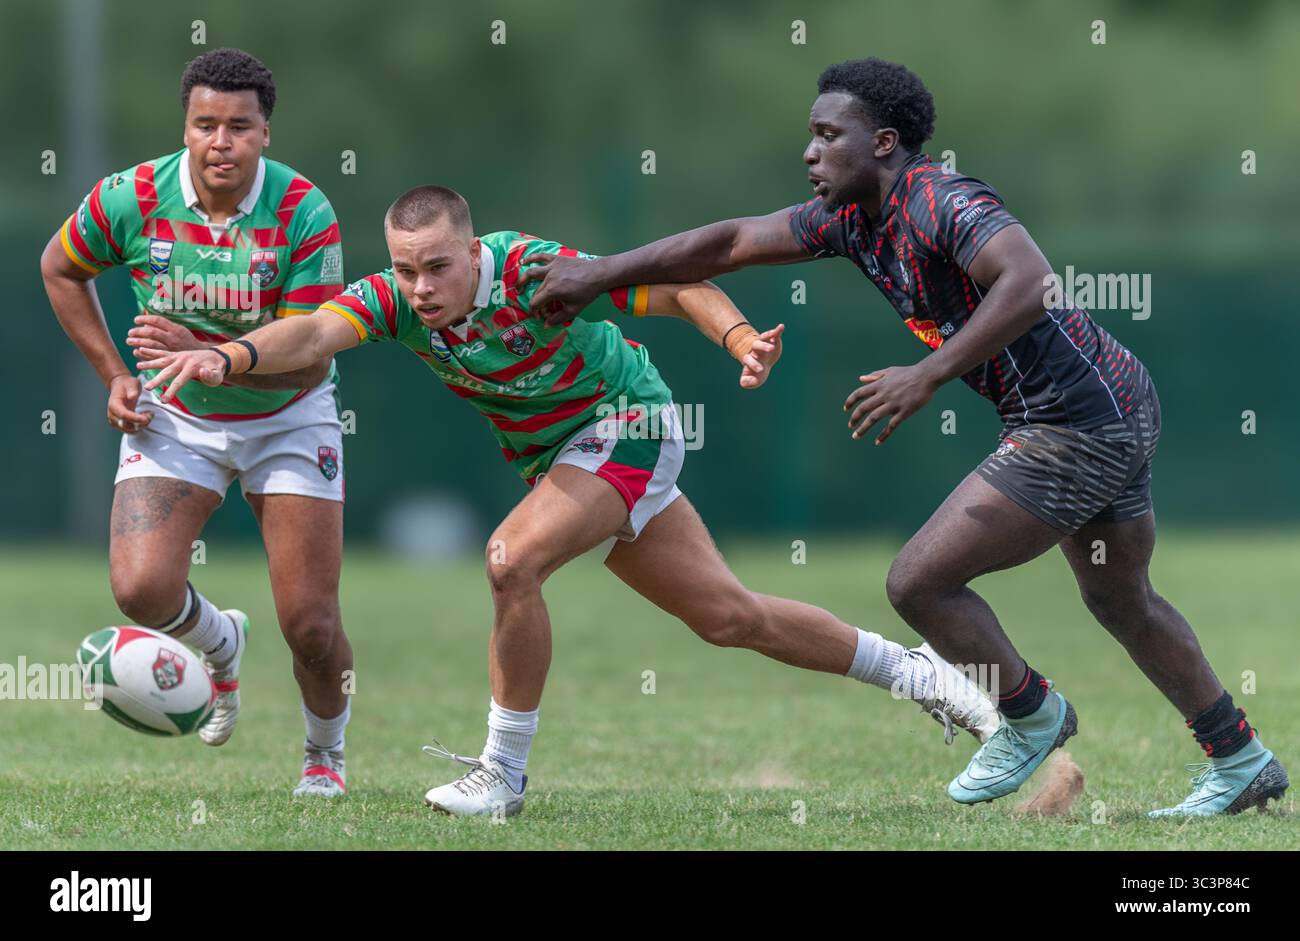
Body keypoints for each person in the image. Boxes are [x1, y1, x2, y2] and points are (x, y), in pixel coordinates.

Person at [515, 57, 1287, 817]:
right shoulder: (849, 221)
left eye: (828, 134)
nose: (811, 152)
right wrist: (604, 270)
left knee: (918, 581)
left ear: (884, 142)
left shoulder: (941, 198)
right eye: (810, 137)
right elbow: (727, 244)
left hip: (1078, 421)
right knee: (1124, 601)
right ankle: (1240, 758)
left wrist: (928, 374)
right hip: (1107, 404)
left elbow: (1029, 279)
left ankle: (1030, 713)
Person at [139, 183, 998, 817]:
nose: (423, 286)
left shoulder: (530, 271)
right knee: (731, 617)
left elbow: (671, 284)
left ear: (474, 253)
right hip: (563, 458)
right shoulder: (397, 301)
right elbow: (317, 330)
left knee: (511, 560)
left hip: (628, 423)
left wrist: (736, 335)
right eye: (407, 270)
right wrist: (231, 357)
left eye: (439, 265)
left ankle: (502, 775)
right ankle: (922, 672)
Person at [40, 48, 355, 797]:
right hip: (175, 414)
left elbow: (311, 357)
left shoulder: (305, 209)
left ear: (265, 134)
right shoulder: (136, 194)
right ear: (185, 128)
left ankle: (324, 755)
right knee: (141, 590)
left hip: (288, 414)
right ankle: (223, 644)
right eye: (205, 124)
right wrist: (115, 373)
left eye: (239, 127)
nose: (222, 142)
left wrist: (213, 353)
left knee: (311, 624)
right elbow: (60, 267)